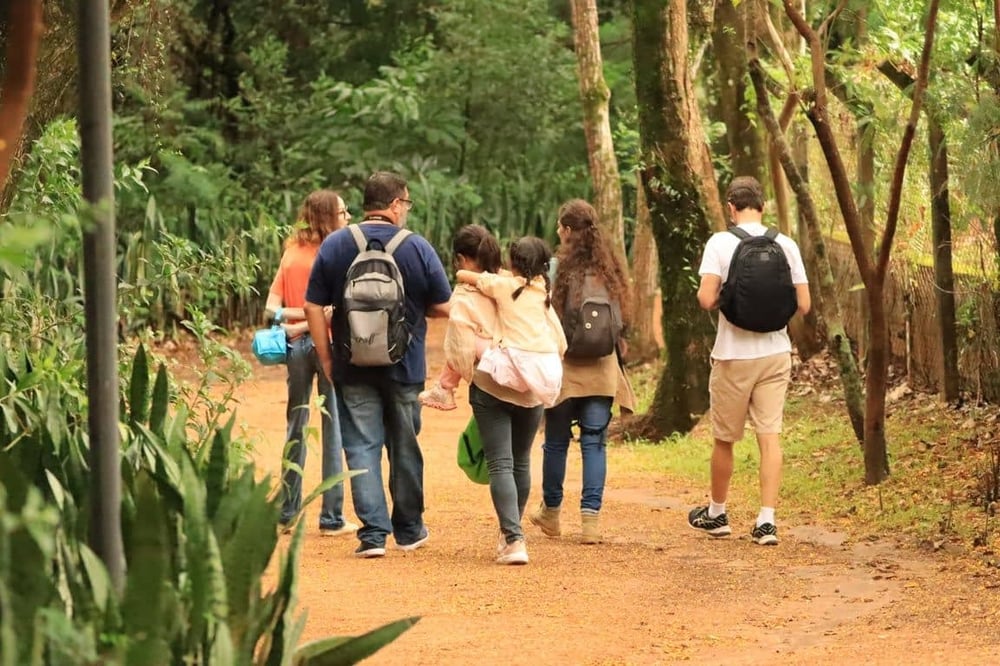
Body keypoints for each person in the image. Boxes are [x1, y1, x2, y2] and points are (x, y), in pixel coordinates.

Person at [304, 171, 452, 558]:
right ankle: (408, 529)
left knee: (361, 446)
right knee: (404, 445)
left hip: (351, 365)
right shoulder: (416, 247)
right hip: (405, 367)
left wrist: (326, 357)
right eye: (405, 203)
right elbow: (444, 304)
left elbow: (312, 305)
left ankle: (372, 535)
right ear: (395, 204)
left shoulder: (336, 245)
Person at [688, 176, 811, 546]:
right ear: (764, 206)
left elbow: (706, 299)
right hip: (775, 353)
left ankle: (717, 513)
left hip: (733, 356)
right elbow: (804, 305)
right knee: (769, 437)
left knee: (725, 439)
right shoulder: (786, 244)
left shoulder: (720, 243)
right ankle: (767, 522)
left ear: (731, 207)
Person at [439, 229, 566, 564]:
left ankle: (513, 538)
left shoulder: (472, 293)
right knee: (521, 461)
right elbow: (559, 340)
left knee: (500, 463)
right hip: (532, 389)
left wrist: (453, 380)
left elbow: (460, 349)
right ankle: (512, 537)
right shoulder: (535, 291)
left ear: (462, 259)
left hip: (491, 387)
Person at [528, 199, 634, 545]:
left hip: (565, 369)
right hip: (603, 369)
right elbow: (623, 322)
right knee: (594, 444)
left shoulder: (556, 270)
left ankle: (552, 514)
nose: (559, 232)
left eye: (561, 226)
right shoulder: (611, 271)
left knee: (556, 443)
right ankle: (590, 522)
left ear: (569, 231)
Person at [265, 189, 358, 537]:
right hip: (329, 346)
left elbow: (270, 309)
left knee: (296, 425)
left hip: (295, 348)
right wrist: (314, 319)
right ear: (327, 218)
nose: (348, 218)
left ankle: (287, 513)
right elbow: (336, 309)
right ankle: (332, 516)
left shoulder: (290, 253)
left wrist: (297, 323)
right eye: (343, 213)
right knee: (333, 426)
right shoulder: (338, 254)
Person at [450, 237, 566, 409]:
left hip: (517, 365)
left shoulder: (504, 286)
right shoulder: (543, 288)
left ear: (512, 264)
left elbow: (462, 275)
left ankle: (446, 385)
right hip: (549, 367)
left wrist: (492, 275)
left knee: (468, 336)